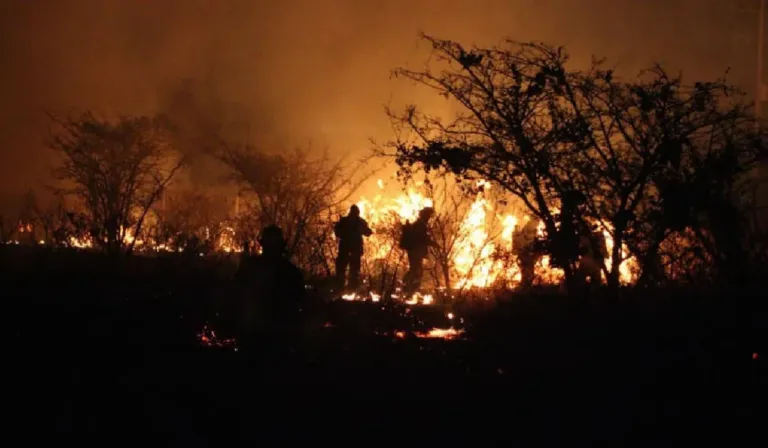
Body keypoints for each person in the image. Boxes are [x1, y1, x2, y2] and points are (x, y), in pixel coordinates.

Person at [233, 225, 306, 347]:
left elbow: (236, 293)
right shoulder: (290, 271)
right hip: (273, 336)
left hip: (260, 335)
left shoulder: (251, 267)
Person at [333, 205, 372, 291]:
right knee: (350, 270)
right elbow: (367, 232)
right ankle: (347, 288)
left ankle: (344, 288)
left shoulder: (346, 221)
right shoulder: (357, 221)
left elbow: (367, 232)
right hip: (350, 249)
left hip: (349, 249)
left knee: (346, 270)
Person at [400, 207, 435, 294]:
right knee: (416, 270)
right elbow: (421, 238)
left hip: (415, 250)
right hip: (414, 251)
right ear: (426, 215)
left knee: (416, 270)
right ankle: (406, 287)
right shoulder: (420, 224)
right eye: (429, 215)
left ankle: (409, 288)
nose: (430, 218)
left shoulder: (420, 223)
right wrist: (432, 243)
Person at [513, 218, 540, 290]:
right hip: (525, 256)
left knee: (528, 272)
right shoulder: (526, 232)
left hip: (528, 257)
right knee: (526, 273)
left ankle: (526, 287)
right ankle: (525, 287)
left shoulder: (532, 232)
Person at [578, 224, 608, 288]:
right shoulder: (597, 237)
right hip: (595, 264)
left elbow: (582, 251)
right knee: (595, 284)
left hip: (588, 263)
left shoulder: (585, 239)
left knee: (581, 282)